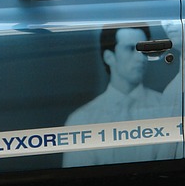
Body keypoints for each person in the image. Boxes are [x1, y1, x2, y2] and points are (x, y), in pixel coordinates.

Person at [63, 24, 175, 167]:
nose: (140, 58)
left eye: (144, 49)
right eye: (130, 49)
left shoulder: (168, 110)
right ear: (109, 57)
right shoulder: (81, 121)